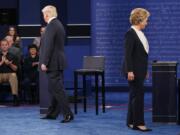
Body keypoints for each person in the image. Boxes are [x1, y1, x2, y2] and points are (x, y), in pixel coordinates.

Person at [39, 5, 73, 123]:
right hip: (57, 61)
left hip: (53, 62)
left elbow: (48, 46)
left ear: (47, 14)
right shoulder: (57, 24)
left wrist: (44, 62)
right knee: (53, 89)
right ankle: (52, 113)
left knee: (57, 90)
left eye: (43, 14)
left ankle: (68, 114)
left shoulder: (51, 26)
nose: (43, 16)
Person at [122, 8, 151, 132]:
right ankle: (139, 123)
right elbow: (127, 54)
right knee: (138, 96)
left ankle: (130, 121)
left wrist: (145, 70)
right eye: (145, 20)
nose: (147, 22)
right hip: (132, 70)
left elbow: (142, 55)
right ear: (139, 20)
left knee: (134, 95)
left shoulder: (140, 33)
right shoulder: (130, 33)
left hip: (139, 70)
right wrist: (130, 71)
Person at [0, 39, 19, 106]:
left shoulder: (13, 56)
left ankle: (15, 98)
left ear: (8, 46)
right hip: (0, 74)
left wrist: (9, 64)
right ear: (0, 46)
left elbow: (16, 69)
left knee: (13, 75)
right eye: (2, 45)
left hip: (10, 74)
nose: (4, 46)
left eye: (6, 45)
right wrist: (2, 62)